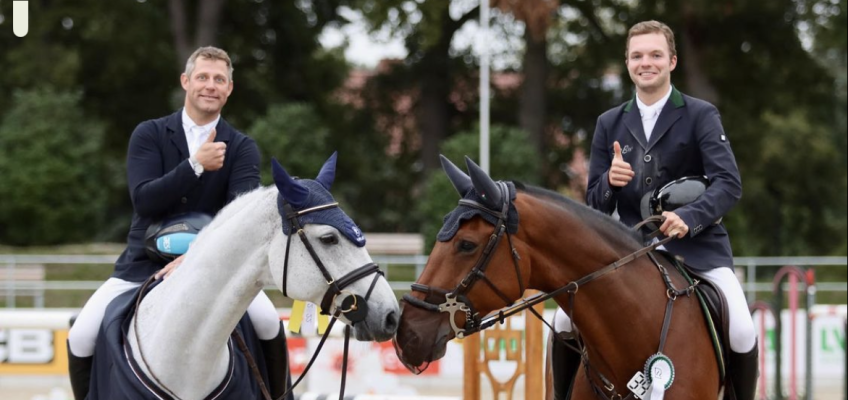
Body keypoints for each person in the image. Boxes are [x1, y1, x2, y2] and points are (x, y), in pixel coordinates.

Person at [67, 46, 291, 400]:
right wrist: (195, 165)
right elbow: (144, 200)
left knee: (266, 322)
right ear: (186, 81)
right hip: (143, 263)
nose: (210, 85)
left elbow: (239, 219)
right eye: (202, 77)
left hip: (216, 266)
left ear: (229, 89)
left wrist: (195, 258)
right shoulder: (149, 134)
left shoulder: (242, 147)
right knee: (81, 334)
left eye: (220, 79)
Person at [550, 20, 758, 400]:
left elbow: (729, 184)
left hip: (698, 249)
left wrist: (691, 217)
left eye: (655, 55)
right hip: (630, 252)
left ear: (672, 61)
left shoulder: (700, 115)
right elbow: (594, 207)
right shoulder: (609, 123)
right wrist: (609, 182)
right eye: (637, 55)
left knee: (742, 328)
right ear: (628, 63)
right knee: (562, 318)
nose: (646, 62)